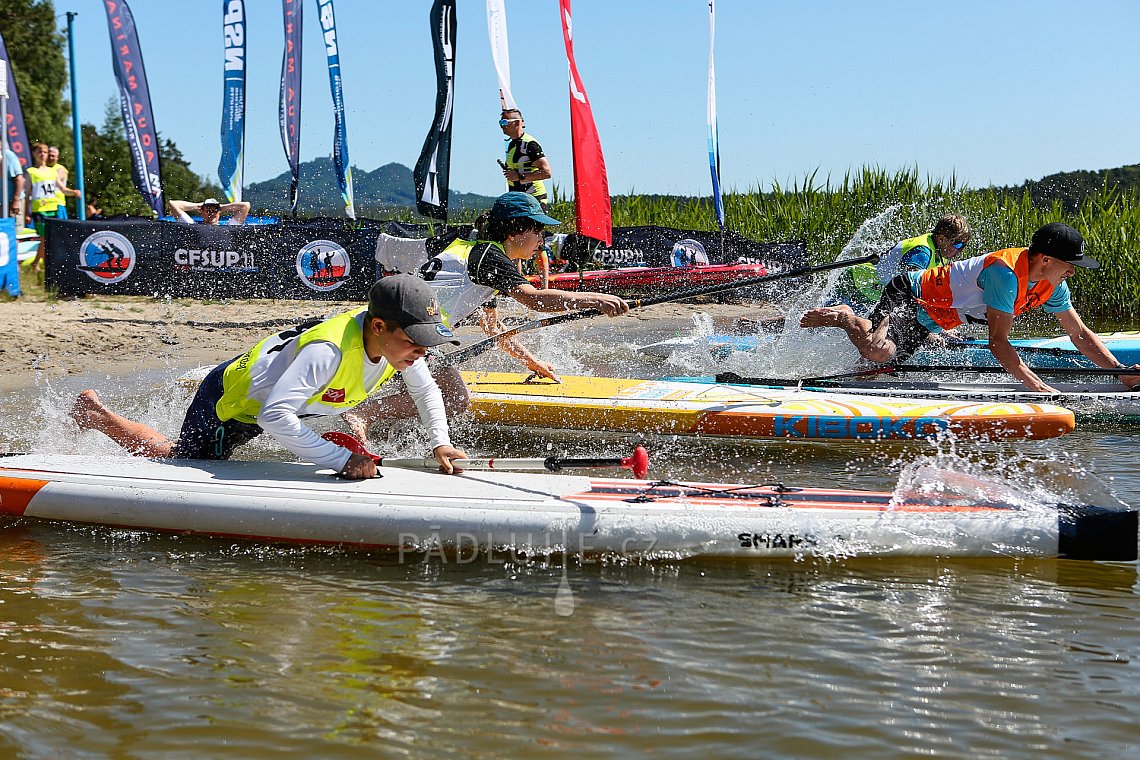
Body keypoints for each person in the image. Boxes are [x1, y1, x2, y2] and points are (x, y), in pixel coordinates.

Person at [70, 275, 469, 480]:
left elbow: (427, 390)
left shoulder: (398, 347)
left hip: (269, 401)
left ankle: (100, 417)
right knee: (177, 461)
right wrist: (341, 460)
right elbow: (274, 418)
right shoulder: (327, 352)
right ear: (379, 326)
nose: (424, 351)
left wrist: (441, 443)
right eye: (416, 340)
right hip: (231, 405)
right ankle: (98, 417)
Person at [359, 192, 629, 431]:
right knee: (454, 398)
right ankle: (362, 416)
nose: (542, 240)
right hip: (410, 334)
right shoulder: (490, 257)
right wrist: (594, 299)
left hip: (399, 328)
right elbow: (534, 300)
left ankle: (375, 420)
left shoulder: (472, 253)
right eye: (538, 232)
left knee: (436, 391)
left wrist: (532, 363)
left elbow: (493, 329)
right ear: (514, 232)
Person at [800, 222, 1140, 393]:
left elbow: (1079, 333)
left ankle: (859, 345)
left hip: (933, 317)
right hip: (909, 293)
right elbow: (998, 342)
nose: (1072, 271)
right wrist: (1035, 386)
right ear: (1046, 259)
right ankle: (844, 316)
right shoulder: (1005, 274)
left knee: (872, 370)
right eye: (1069, 264)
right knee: (877, 353)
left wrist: (1119, 372)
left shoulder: (1054, 284)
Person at [838, 214, 972, 309]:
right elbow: (911, 290)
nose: (960, 250)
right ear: (942, 239)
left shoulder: (938, 252)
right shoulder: (922, 253)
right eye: (958, 244)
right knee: (821, 329)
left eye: (964, 246)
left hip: (870, 291)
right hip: (856, 284)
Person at [499, 108, 553, 287]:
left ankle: (545, 288)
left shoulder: (530, 144)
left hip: (535, 200)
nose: (502, 127)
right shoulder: (511, 144)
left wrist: (519, 177)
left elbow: (546, 172)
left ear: (517, 122)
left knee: (538, 244)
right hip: (518, 201)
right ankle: (517, 286)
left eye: (504, 123)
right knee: (514, 242)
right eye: (500, 123)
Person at [46, 146, 81, 219]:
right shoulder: (43, 168)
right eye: (49, 155)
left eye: (53, 156)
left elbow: (56, 181)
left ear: (57, 158)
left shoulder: (60, 169)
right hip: (44, 205)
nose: (50, 158)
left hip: (58, 205)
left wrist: (74, 192)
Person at [169, 197, 251, 225]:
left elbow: (245, 206)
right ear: (201, 212)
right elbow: (173, 204)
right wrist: (198, 206)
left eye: (215, 210)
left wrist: (222, 207)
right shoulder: (192, 225)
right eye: (208, 210)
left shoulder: (228, 227)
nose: (212, 213)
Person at [3, 141, 24, 220]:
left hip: (12, 202)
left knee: (14, 230)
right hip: (2, 202)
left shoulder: (8, 156)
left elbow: (19, 179)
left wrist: (16, 201)